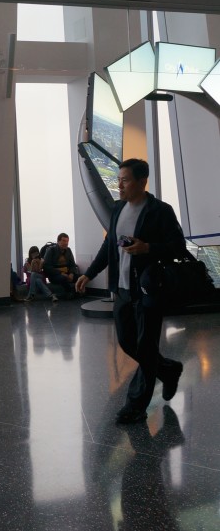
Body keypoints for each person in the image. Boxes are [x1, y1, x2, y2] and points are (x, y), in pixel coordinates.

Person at [76, 159, 186, 424]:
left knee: (146, 347)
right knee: (127, 341)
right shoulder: (118, 209)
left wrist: (147, 248)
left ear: (141, 182)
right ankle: (169, 369)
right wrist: (89, 273)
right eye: (119, 179)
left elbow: (178, 246)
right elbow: (109, 247)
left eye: (124, 180)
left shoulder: (160, 211)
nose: (119, 185)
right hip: (122, 290)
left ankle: (135, 406)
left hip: (148, 290)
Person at [43, 232, 80, 296]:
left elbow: (72, 264)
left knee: (80, 277)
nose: (66, 243)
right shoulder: (51, 250)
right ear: (58, 241)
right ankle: (70, 292)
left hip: (67, 273)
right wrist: (61, 273)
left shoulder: (68, 250)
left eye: (67, 241)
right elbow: (47, 267)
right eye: (63, 241)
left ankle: (77, 291)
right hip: (55, 275)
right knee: (63, 278)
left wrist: (71, 273)